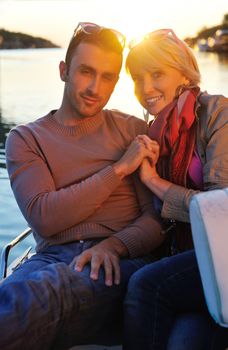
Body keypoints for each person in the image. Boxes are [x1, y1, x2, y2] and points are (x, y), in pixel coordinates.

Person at [1, 22, 164, 350]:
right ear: (64, 70)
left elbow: (156, 222)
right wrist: (119, 169)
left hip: (118, 260)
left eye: (107, 77)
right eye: (86, 72)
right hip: (49, 259)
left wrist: (112, 247)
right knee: (19, 293)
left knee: (50, 291)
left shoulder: (132, 130)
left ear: (116, 82)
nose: (94, 87)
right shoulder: (26, 139)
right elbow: (46, 218)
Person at [123, 29, 228, 349]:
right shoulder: (153, 133)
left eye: (157, 74)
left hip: (222, 257)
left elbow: (218, 211)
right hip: (190, 262)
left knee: (146, 284)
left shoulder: (217, 113)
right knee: (182, 341)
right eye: (137, 78)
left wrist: (153, 181)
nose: (145, 88)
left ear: (184, 72)